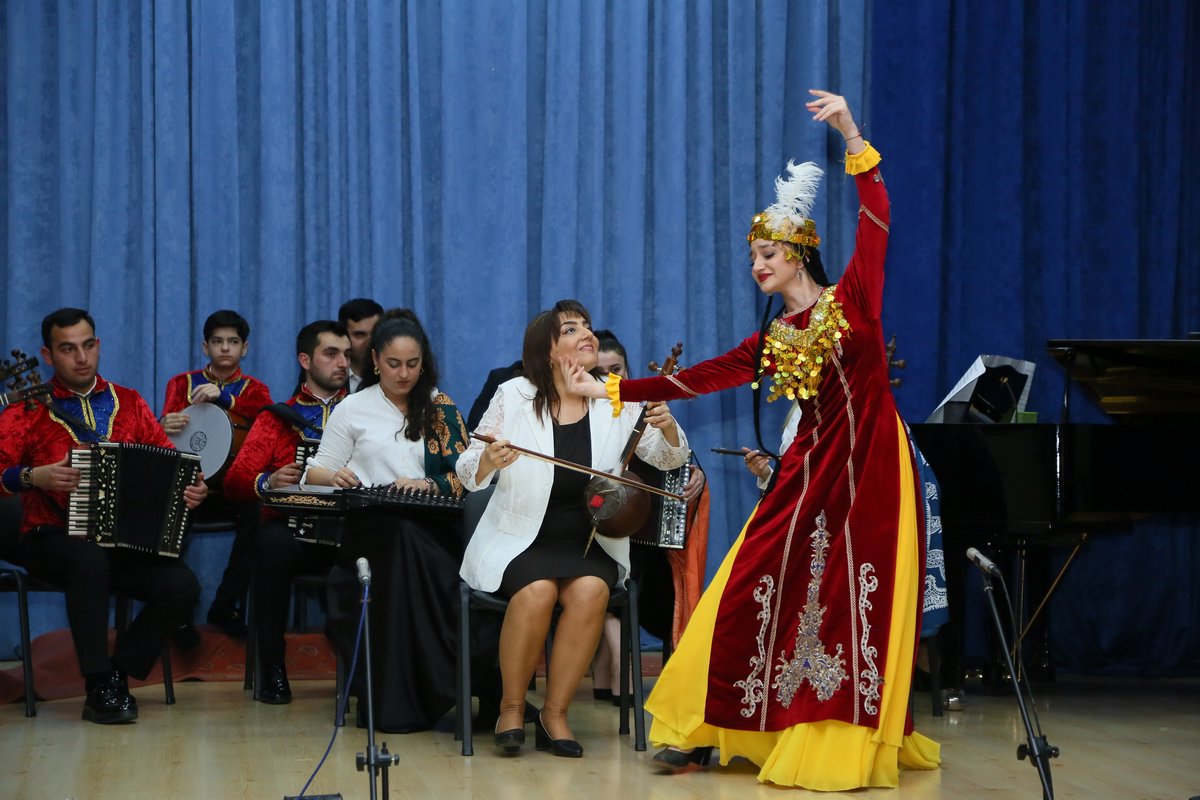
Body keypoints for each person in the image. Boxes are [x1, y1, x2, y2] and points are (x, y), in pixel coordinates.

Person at [565, 91, 941, 788]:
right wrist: (609, 390)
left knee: (849, 603)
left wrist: (851, 133)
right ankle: (703, 725)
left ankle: (835, 739)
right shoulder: (773, 338)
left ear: (798, 255)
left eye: (767, 254)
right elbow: (695, 380)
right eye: (753, 257)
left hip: (872, 470)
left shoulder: (854, 299)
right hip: (808, 471)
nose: (757, 266)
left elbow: (877, 216)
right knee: (745, 585)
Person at [457, 299, 690, 758]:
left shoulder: (615, 394)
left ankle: (555, 714)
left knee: (590, 591)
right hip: (522, 537)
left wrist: (666, 427)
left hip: (590, 538)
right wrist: (488, 460)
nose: (586, 333)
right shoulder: (514, 394)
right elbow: (467, 469)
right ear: (547, 350)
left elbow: (668, 458)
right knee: (537, 591)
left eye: (587, 326)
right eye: (570, 329)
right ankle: (510, 707)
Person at [0, 308, 207, 724]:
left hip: (119, 542)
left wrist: (192, 488)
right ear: (47, 355)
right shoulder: (26, 408)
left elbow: (169, 462)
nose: (81, 358)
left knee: (181, 585)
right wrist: (33, 476)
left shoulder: (129, 401)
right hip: (48, 536)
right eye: (68, 349)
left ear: (98, 345)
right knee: (88, 559)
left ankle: (116, 673)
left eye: (88, 345)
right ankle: (97, 686)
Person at [303, 313, 478, 732]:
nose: (404, 374)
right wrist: (336, 476)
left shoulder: (439, 406)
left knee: (411, 539)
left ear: (424, 363)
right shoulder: (353, 407)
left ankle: (434, 686)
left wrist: (429, 484)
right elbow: (315, 473)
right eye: (394, 364)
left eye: (413, 364)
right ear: (375, 361)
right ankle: (422, 690)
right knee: (399, 536)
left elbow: (470, 476)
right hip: (371, 530)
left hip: (433, 526)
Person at [223, 320, 351, 704]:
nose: (343, 363)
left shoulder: (365, 413)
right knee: (272, 545)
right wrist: (269, 481)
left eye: (347, 354)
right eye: (331, 354)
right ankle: (273, 668)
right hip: (293, 532)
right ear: (305, 361)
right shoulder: (278, 417)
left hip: (350, 529)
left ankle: (366, 672)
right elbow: (235, 480)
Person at [588, 329, 710, 703]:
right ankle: (616, 662)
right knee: (617, 562)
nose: (612, 379)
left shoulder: (641, 407)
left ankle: (618, 664)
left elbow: (679, 457)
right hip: (596, 531)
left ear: (629, 370)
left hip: (645, 537)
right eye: (601, 373)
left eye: (617, 370)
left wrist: (697, 475)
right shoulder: (586, 411)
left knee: (655, 571)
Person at [161, 309, 272, 637]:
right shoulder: (181, 383)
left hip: (232, 487)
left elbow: (265, 418)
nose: (225, 348)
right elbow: (164, 437)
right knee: (166, 520)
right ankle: (178, 612)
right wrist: (162, 423)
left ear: (244, 348)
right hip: (188, 485)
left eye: (233, 342)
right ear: (205, 347)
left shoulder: (255, 389)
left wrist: (223, 397)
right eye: (217, 341)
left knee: (258, 517)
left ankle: (226, 605)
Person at [337, 298, 383, 393]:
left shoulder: (392, 374)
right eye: (360, 335)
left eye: (375, 333)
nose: (369, 342)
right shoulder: (328, 372)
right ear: (344, 336)